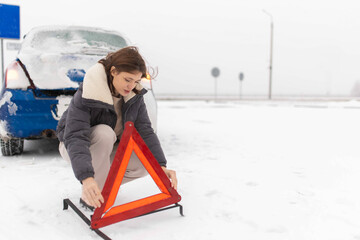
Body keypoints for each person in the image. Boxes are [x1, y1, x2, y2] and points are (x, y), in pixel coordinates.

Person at [56, 46, 177, 210]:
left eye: (136, 81)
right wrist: (87, 177)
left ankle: (101, 188)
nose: (131, 86)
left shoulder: (134, 96)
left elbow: (145, 131)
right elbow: (76, 136)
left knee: (145, 162)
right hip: (73, 146)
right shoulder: (89, 91)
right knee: (104, 132)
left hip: (106, 149)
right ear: (113, 71)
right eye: (127, 80)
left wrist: (161, 166)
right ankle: (91, 198)